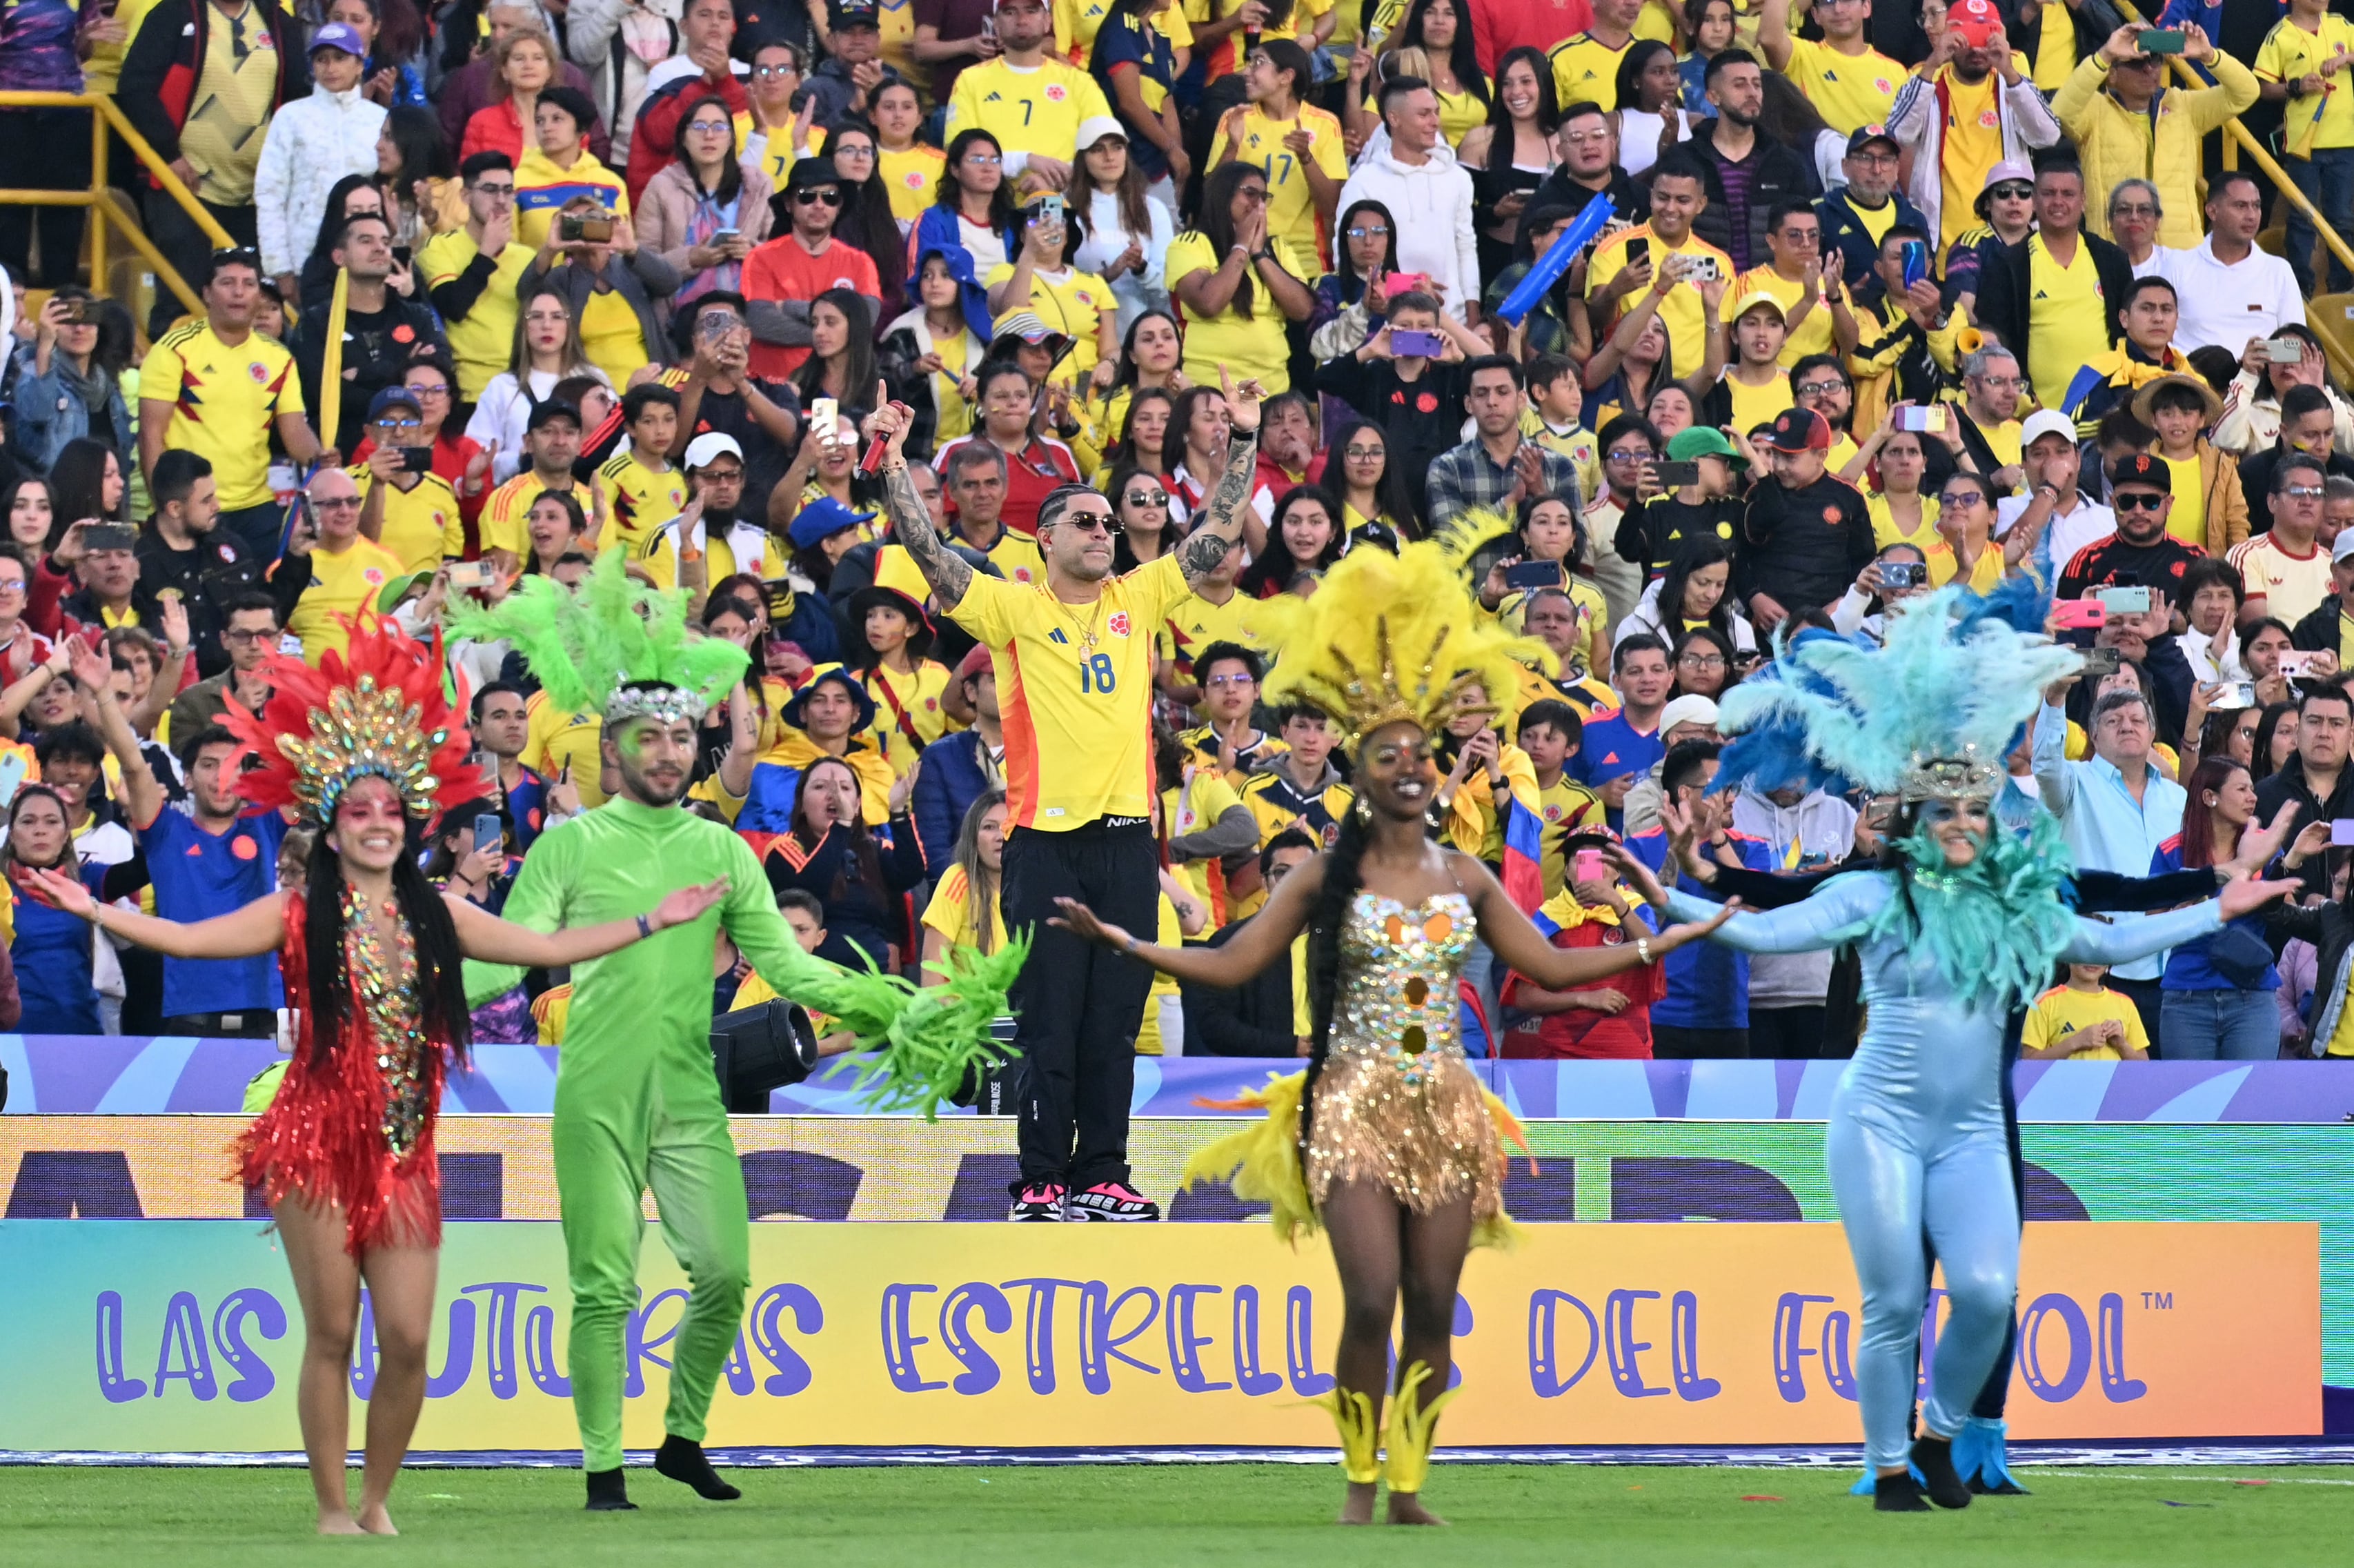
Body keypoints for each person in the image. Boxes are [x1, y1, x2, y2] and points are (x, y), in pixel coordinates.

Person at [1057, 535, 1733, 1522]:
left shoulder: (1468, 874)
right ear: (1362, 772)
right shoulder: (1320, 874)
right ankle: (1358, 1478)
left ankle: (1410, 1483)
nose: (1410, 769)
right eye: (1389, 756)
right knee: (1371, 1297)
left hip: (1448, 1109)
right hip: (1351, 1107)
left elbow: (1547, 968)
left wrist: (1655, 941)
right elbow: (1233, 963)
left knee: (1431, 1304)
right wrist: (1128, 942)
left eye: (1421, 755)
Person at [22, 616, 726, 1533]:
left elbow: (548, 947)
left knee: (408, 1338)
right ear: (332, 825)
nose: (378, 823)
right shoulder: (297, 910)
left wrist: (651, 921)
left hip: (406, 1152)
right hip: (315, 1145)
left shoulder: (440, 914)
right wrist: (92, 908)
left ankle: (379, 1495)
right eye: (359, 811)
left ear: (410, 822)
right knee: (332, 1333)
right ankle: (332, 1506)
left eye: (391, 811)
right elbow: (188, 940)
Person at [1619, 582, 2276, 1509]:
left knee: (1988, 1292)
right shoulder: (1873, 895)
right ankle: (1888, 1464)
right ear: (1918, 826)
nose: (1963, 824)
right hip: (1879, 1122)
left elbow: (2112, 931)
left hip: (1971, 1131)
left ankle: (1939, 1432)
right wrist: (1666, 894)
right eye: (1945, 813)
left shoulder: (2016, 904)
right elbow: (1762, 930)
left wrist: (2218, 903)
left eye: (1975, 812)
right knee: (1892, 1302)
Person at [451, 550, 1020, 1509]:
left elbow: (791, 969)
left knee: (724, 1272)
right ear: (615, 746)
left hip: (690, 1089)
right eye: (650, 737)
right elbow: (513, 954)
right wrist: (413, 991)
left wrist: (898, 1003)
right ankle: (602, 1469)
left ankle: (681, 1436)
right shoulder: (571, 843)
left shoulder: (721, 846)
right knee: (603, 1287)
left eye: (683, 736)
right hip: (596, 1090)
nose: (670, 752)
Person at [874, 358, 1265, 1222]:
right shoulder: (1013, 609)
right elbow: (930, 556)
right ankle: (1042, 1180)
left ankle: (1104, 1175)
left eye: (1108, 520)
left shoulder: (1141, 593)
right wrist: (895, 462)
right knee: (1049, 1020)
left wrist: (1241, 436)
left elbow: (1216, 528)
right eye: (1084, 519)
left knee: (1113, 1021)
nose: (1103, 529)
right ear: (1045, 538)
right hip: (1042, 844)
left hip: (1126, 842)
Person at [119, 0, 312, 337]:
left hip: (257, 195)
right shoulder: (173, 14)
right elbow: (136, 87)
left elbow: (298, 98)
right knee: (182, 297)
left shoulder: (279, 23)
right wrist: (168, 154)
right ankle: (172, 365)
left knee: (256, 305)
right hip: (185, 188)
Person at [139, 248, 324, 565]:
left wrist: (321, 458)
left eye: (249, 284)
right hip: (192, 506)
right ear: (207, 294)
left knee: (269, 592)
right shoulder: (174, 350)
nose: (239, 292)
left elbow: (294, 430)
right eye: (227, 283)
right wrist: (166, 508)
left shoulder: (279, 357)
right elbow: (150, 436)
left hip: (257, 507)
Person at [2032, 675, 2190, 1040]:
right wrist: (2055, 700)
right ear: (2094, 735)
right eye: (2113, 721)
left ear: (2152, 733)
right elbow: (2046, 765)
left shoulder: (2177, 798)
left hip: (2174, 968)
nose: (2127, 727)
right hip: (2099, 967)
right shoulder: (2073, 784)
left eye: (2136, 720)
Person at [1881, 0, 2064, 257]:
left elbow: (2048, 135)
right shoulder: (1926, 80)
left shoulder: (2012, 85)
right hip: (1940, 245)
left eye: (1986, 35)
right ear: (1949, 35)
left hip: (2008, 247)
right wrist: (1933, 64)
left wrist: (2010, 72)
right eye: (1967, 36)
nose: (1977, 48)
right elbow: (1898, 133)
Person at [292, 212, 451, 459]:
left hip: (412, 457)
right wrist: (404, 373)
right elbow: (320, 396)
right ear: (339, 257)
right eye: (366, 241)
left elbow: (439, 375)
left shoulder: (417, 316)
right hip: (341, 458)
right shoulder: (315, 322)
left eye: (386, 242)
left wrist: (363, 375)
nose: (380, 248)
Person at [255, 23, 391, 299]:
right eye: (321, 59)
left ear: (359, 64)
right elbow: (270, 193)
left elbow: (393, 190)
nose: (330, 67)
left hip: (369, 262)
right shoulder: (290, 117)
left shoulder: (378, 119)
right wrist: (280, 269)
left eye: (340, 58)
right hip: (305, 262)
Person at [1332, 76, 1480, 326]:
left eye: (1436, 112)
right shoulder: (1364, 182)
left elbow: (1466, 247)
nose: (1435, 122)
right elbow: (1345, 256)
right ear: (1394, 118)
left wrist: (1472, 316)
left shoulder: (1458, 178)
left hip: (1451, 321)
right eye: (1424, 114)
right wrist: (1408, 287)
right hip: (1387, 323)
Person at [1167, 163, 1316, 397]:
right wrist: (1241, 247)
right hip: (1212, 396)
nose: (1258, 204)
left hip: (1272, 393)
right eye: (1250, 193)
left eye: (1264, 197)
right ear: (1224, 194)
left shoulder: (1278, 248)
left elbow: (1303, 309)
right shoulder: (1190, 244)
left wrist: (1259, 254)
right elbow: (1208, 304)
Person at [742, 157, 885, 383]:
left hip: (838, 388)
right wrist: (836, 331)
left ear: (839, 206)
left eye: (830, 197)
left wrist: (789, 307)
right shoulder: (760, 258)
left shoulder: (860, 262)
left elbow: (865, 320)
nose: (819, 204)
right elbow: (760, 322)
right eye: (807, 196)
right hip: (771, 386)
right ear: (788, 204)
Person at [944, 0, 1111, 186]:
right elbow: (959, 153)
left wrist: (1054, 178)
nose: (1022, 20)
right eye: (1010, 12)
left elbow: (1107, 149)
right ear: (996, 24)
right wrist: (1025, 161)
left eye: (1031, 11)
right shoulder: (970, 80)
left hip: (1062, 198)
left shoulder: (1080, 82)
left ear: (1047, 21)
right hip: (993, 199)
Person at [2256, 0, 2354, 301]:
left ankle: (2342, 290)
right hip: (2303, 145)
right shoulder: (2280, 34)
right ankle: (2300, 289)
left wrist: (2345, 58)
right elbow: (2262, 87)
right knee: (2302, 218)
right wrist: (2297, 86)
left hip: (2345, 140)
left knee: (2342, 218)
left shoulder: (2340, 23)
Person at [1425, 358, 1582, 535]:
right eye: (1481, 394)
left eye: (1502, 392)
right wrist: (1511, 500)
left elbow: (1577, 542)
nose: (1492, 401)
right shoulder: (1446, 468)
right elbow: (1450, 540)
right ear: (1468, 404)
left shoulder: (1559, 466)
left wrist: (1540, 495)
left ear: (1521, 400)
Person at [2163, 173, 2308, 358]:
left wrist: (2252, 360)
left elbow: (2296, 349)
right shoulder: (2178, 265)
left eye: (2256, 206)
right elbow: (2156, 339)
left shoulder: (2279, 270)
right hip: (2191, 374)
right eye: (2241, 206)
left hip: (2259, 374)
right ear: (2212, 211)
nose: (2251, 215)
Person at [622, 0, 750, 206]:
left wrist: (725, 80)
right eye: (704, 14)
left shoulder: (747, 73)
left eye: (723, 16)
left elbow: (748, 132)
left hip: (736, 191)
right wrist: (704, 84)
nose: (715, 22)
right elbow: (660, 135)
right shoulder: (665, 73)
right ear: (684, 26)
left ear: (733, 26)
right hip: (678, 194)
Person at [284, 469, 409, 665]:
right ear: (310, 509)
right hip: (307, 680)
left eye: (353, 502)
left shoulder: (387, 562)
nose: (345, 511)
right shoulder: (290, 568)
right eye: (333, 504)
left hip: (376, 679)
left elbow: (406, 627)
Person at [11, 288, 135, 478]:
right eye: (68, 322)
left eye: (88, 321)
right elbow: (36, 411)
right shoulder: (32, 374)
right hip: (58, 494)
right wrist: (45, 343)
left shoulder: (107, 388)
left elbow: (123, 464)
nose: (79, 329)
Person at [350, 388, 466, 575]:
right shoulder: (347, 484)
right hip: (368, 590)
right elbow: (355, 551)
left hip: (426, 592)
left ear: (421, 430)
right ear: (369, 433)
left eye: (409, 422)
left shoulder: (442, 490)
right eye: (387, 423)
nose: (399, 432)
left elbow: (453, 564)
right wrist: (377, 485)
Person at [1759, 0, 1901, 135]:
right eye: (1827, 2)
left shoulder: (1896, 72)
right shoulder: (1803, 56)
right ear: (1815, 15)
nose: (1838, 9)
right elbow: (1769, 39)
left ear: (1866, 7)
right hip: (1816, 152)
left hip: (1877, 152)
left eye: (1847, 0)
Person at [2022, 964, 2152, 1060]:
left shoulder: (2125, 1003)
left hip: (2113, 1088)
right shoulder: (2045, 1002)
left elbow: (2144, 1066)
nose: (2091, 960)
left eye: (2098, 954)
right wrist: (2075, 1042)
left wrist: (2121, 1045)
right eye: (2084, 952)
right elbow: (2029, 1062)